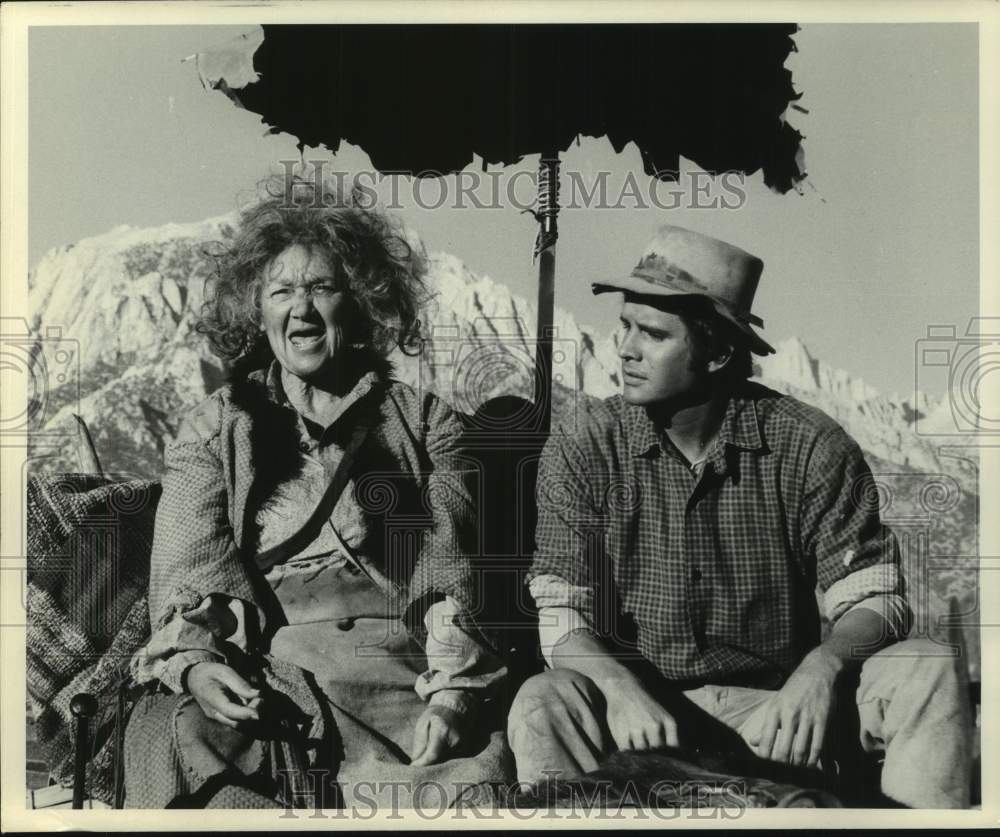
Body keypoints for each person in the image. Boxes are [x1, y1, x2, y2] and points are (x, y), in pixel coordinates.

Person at [506, 225, 973, 808]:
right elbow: (560, 613)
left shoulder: (809, 444)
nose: (625, 348)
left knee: (926, 667)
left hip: (780, 716)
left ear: (720, 352)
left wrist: (821, 670)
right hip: (642, 717)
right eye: (623, 324)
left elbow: (876, 600)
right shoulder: (585, 443)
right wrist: (618, 687)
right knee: (542, 700)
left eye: (651, 334)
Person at [124, 177, 510, 809]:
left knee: (460, 794)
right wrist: (199, 667)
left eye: (321, 288)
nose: (300, 310)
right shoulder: (215, 426)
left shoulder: (426, 422)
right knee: (199, 759)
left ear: (358, 303)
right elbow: (190, 573)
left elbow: (452, 576)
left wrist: (454, 696)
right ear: (257, 311)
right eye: (281, 292)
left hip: (403, 679)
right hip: (279, 681)